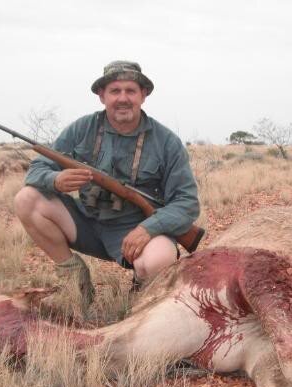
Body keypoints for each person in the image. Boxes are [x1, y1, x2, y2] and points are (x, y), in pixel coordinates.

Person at [14, 61, 200, 315]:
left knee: (161, 260)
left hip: (134, 232)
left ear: (143, 95)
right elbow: (37, 171)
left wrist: (150, 228)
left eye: (130, 91)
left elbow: (187, 203)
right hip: (86, 222)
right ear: (102, 96)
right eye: (114, 91)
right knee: (26, 199)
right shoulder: (82, 128)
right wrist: (55, 180)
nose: (122, 98)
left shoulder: (167, 141)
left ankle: (141, 288)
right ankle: (75, 279)